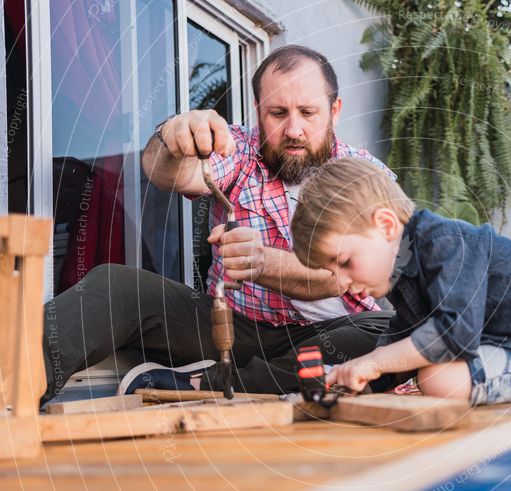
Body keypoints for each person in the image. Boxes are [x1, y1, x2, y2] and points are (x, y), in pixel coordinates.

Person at [41, 45, 394, 404]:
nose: (293, 129)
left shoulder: (367, 176)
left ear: (335, 111)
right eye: (277, 113)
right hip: (230, 328)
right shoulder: (238, 148)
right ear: (258, 111)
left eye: (308, 112)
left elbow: (339, 277)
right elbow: (172, 175)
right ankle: (14, 382)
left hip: (328, 335)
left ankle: (204, 384)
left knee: (388, 332)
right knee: (114, 285)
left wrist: (261, 262)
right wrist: (173, 139)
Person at [290, 158, 511, 405]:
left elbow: (454, 334)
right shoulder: (404, 270)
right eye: (333, 272)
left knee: (437, 379)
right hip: (508, 348)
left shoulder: (445, 243)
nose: (343, 282)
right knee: (426, 367)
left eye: (345, 262)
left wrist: (376, 362)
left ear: (385, 225)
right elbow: (405, 336)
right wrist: (362, 379)